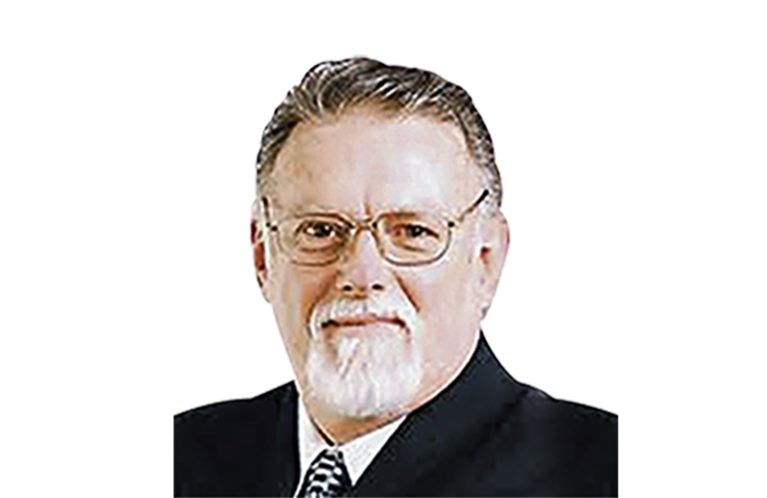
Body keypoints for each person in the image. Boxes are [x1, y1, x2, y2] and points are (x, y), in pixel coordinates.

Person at [173, 55, 618, 497]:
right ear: (261, 255)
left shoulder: (601, 473)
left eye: (413, 232)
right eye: (320, 230)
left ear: (486, 259)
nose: (361, 275)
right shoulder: (184, 454)